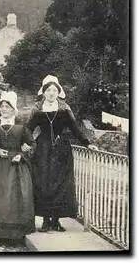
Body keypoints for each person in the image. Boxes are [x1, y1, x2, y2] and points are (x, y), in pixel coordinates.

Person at [27, 75, 98, 232]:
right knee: (43, 184)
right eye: (48, 90)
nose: (51, 93)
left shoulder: (64, 109)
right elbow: (28, 129)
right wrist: (23, 143)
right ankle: (45, 220)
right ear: (43, 92)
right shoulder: (38, 109)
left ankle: (55, 220)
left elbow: (75, 129)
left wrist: (88, 143)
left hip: (61, 150)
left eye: (54, 90)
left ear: (59, 92)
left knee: (60, 184)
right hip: (43, 150)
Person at [0, 91, 36, 242]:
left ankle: (15, 234)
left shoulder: (21, 127)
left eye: (7, 106)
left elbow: (33, 144)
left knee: (15, 198)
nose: (4, 109)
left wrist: (21, 155)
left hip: (16, 167)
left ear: (13, 108)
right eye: (2, 106)